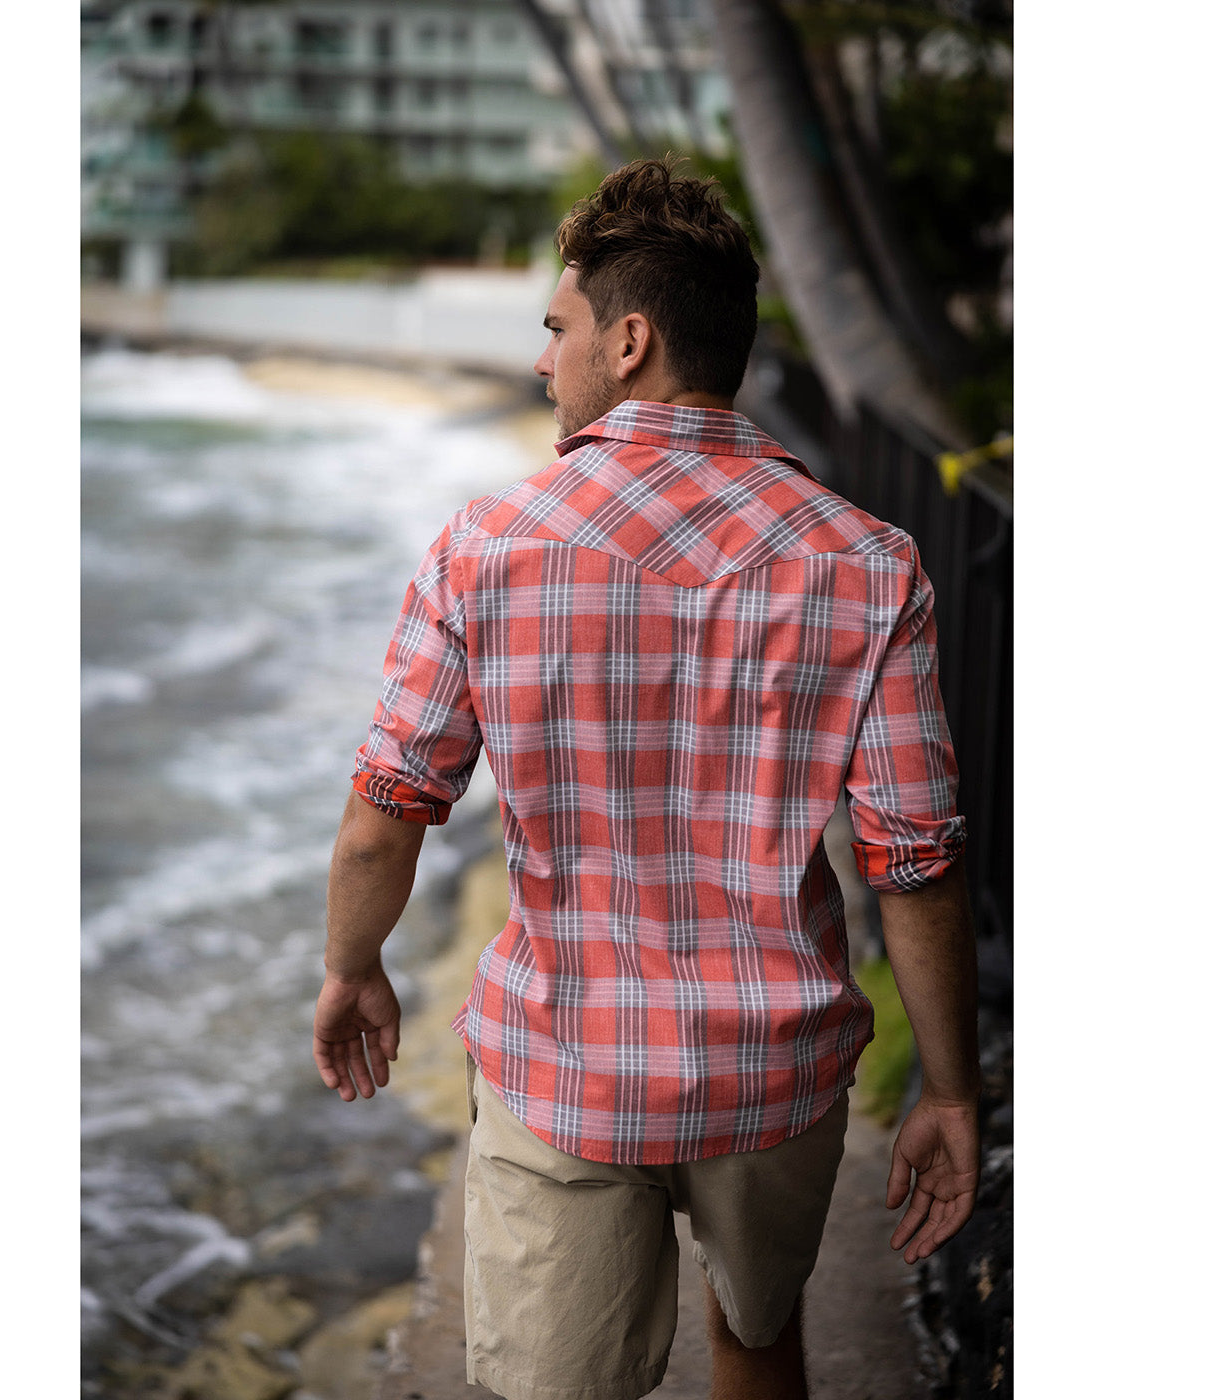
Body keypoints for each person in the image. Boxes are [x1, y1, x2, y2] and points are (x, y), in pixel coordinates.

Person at [313, 158, 981, 1400]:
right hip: (774, 1069)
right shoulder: (865, 561)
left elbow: (387, 810)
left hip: (565, 1060)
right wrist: (947, 1086)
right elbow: (916, 859)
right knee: (757, 1336)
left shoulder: (487, 547)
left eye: (554, 328)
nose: (539, 361)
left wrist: (355, 965)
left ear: (628, 342)